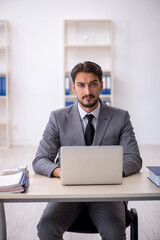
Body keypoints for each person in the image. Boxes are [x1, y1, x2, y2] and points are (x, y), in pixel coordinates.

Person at [32, 61, 142, 240]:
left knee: (114, 231)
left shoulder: (120, 117)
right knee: (46, 228)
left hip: (107, 193)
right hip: (68, 193)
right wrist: (62, 172)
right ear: (73, 87)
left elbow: (134, 159)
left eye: (93, 84)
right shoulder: (57, 118)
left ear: (102, 85)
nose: (87, 92)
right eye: (81, 85)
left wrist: (109, 173)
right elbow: (40, 160)